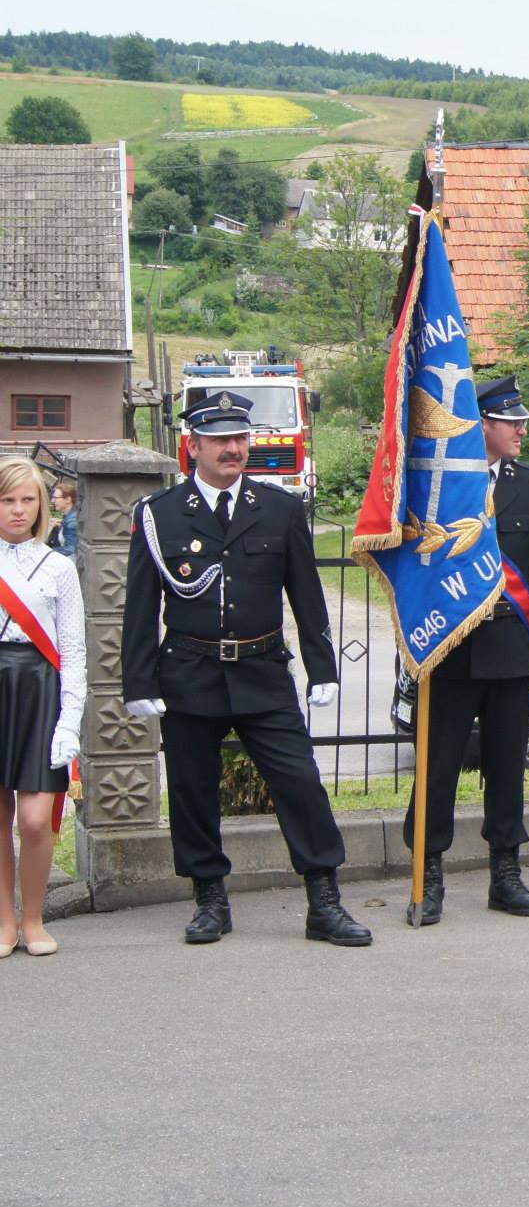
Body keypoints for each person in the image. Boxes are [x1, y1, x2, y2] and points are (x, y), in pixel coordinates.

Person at [120, 391, 370, 946]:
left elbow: (307, 595)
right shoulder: (160, 515)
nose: (232, 449)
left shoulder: (279, 508)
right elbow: (139, 606)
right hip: (190, 670)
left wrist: (322, 668)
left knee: (300, 782)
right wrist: (137, 680)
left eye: (239, 438)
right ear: (193, 446)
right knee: (191, 789)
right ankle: (209, 898)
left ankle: (324, 899)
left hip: (262, 669)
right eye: (219, 440)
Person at [401, 377, 529, 924]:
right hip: (449, 649)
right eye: (511, 422)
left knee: (506, 766)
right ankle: (428, 873)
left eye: (521, 422)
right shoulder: (434, 483)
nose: (522, 430)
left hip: (511, 648)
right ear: (482, 426)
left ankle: (506, 873)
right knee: (437, 768)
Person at [0, 460, 83, 958]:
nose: (18, 509)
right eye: (7, 499)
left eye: (27, 499)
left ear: (41, 506)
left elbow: (72, 649)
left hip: (40, 692)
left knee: (33, 819)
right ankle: (4, 921)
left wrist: (69, 722)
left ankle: (34, 919)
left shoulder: (58, 566)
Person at [47, 482, 77, 558]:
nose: (52, 501)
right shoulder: (66, 517)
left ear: (68, 500)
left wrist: (46, 553)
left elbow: (70, 549)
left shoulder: (72, 521)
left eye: (55, 498)